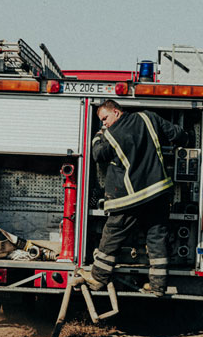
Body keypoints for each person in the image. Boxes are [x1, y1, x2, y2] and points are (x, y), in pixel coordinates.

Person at [78, 99, 191, 296]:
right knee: (157, 238)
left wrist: (98, 136)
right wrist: (188, 138)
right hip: (158, 192)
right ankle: (158, 287)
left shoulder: (110, 134)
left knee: (112, 235)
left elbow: (98, 155)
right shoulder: (148, 117)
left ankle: (98, 278)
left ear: (116, 112)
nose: (104, 123)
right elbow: (176, 134)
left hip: (130, 197)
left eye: (105, 118)